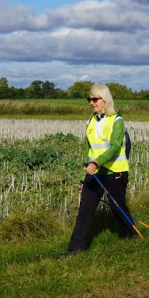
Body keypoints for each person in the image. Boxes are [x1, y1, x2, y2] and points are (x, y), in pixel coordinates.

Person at [62, 83, 133, 257]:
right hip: (93, 173)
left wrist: (97, 163)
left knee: (118, 208)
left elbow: (116, 146)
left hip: (115, 172)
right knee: (85, 210)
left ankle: (131, 235)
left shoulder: (117, 120)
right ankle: (75, 249)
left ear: (105, 100)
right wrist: (82, 177)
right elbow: (87, 152)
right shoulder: (90, 122)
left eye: (95, 99)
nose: (91, 102)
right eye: (89, 99)